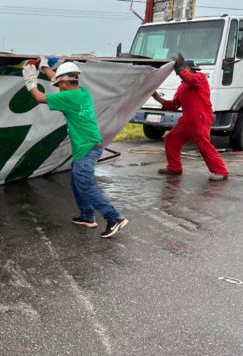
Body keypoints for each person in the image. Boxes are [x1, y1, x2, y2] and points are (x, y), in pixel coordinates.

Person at [22, 57, 128, 238]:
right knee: (77, 181)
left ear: (64, 83)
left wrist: (30, 81)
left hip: (87, 148)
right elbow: (59, 79)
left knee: (84, 184)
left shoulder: (69, 97)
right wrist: (45, 67)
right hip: (88, 146)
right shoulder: (82, 92)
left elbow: (39, 97)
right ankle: (87, 216)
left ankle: (114, 217)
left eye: (59, 83)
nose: (58, 86)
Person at [150, 53, 228, 181]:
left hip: (200, 119)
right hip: (187, 120)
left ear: (190, 70)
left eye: (183, 70)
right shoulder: (182, 87)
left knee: (203, 146)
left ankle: (221, 171)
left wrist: (180, 68)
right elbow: (174, 105)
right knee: (171, 139)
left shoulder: (200, 78)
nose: (180, 73)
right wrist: (157, 97)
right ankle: (174, 167)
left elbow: (190, 79)